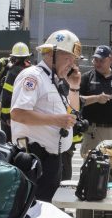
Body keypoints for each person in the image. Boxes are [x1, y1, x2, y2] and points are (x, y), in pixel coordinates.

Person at [10, 29, 81, 202]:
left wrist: (74, 87)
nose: (72, 65)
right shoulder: (33, 76)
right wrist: (56, 120)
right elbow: (18, 113)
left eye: (74, 60)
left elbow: (72, 114)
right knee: (34, 214)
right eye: (68, 59)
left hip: (51, 161)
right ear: (52, 54)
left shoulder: (53, 81)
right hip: (34, 159)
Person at [79, 45, 112, 158]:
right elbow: (76, 101)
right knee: (92, 170)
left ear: (110, 60)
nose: (97, 63)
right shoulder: (86, 78)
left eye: (101, 60)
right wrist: (96, 98)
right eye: (95, 60)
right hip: (93, 131)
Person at [0, 42, 32, 141]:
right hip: (28, 116)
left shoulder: (12, 72)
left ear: (13, 57)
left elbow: (6, 96)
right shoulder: (32, 71)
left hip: (12, 117)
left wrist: (6, 117)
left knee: (10, 144)